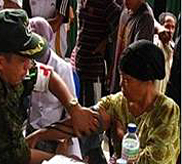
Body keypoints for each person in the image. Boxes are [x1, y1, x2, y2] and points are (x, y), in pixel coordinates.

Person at [0, 9, 99, 164]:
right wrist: (64, 160)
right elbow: (21, 158)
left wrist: (74, 108)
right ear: (0, 62)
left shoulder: (6, 68)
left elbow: (48, 76)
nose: (29, 65)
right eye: (23, 60)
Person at [26, 40, 180, 163]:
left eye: (127, 80)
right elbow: (84, 122)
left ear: (147, 81)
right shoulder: (119, 102)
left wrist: (121, 137)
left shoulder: (167, 112)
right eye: (121, 78)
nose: (121, 85)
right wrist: (39, 135)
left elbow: (155, 160)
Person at [69, 0, 122, 163]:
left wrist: (105, 43)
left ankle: (95, 157)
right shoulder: (81, 2)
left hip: (94, 69)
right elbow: (81, 30)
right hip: (78, 64)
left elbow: (120, 23)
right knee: (81, 112)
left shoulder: (106, 4)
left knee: (93, 119)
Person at [27, 17, 82, 159]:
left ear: (49, 39)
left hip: (55, 133)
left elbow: (72, 109)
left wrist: (64, 141)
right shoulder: (27, 63)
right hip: (32, 127)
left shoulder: (62, 68)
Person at [110, 0, 154, 93]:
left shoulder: (145, 18)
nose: (125, 1)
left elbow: (138, 56)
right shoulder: (125, 11)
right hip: (118, 77)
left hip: (131, 84)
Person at [153, 12, 177, 94]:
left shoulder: (174, 48)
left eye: (172, 27)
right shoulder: (154, 43)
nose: (170, 31)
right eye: (167, 26)